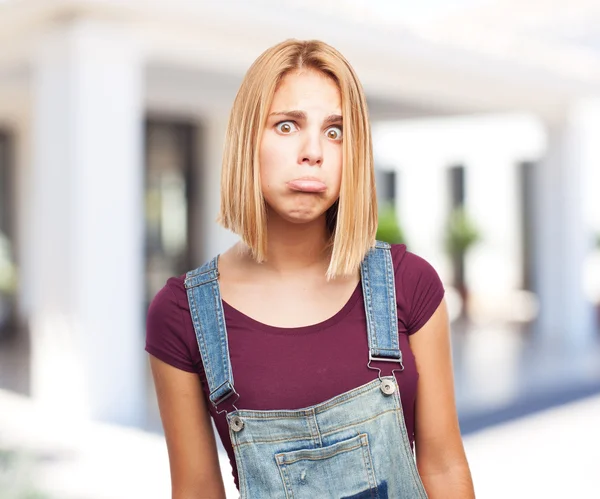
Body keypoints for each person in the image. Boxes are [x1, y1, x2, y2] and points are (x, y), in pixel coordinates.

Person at [146, 39, 475, 499]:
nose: (313, 152)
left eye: (335, 132)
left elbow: (443, 468)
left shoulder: (409, 284)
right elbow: (197, 488)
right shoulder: (183, 314)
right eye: (286, 125)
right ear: (247, 141)